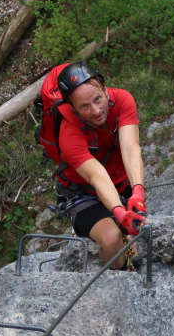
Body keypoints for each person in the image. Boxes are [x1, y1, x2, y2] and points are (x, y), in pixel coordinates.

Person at [50, 61, 148, 270]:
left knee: (129, 234)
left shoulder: (122, 100)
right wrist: (120, 212)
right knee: (113, 239)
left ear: (105, 90)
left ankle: (132, 257)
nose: (96, 111)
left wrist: (137, 192)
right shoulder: (69, 134)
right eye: (84, 106)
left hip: (120, 183)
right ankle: (121, 275)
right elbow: (96, 176)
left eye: (98, 99)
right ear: (72, 108)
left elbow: (130, 148)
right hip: (83, 193)